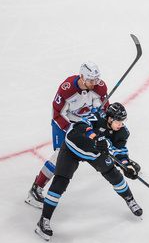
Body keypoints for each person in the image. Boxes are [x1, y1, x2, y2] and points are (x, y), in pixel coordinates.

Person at [35, 102, 142, 241]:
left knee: (115, 176)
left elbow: (120, 152)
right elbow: (79, 125)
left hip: (95, 153)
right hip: (72, 149)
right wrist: (95, 137)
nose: (120, 124)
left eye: (122, 121)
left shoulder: (122, 132)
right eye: (118, 121)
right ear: (109, 118)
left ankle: (130, 200)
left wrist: (127, 167)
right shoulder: (97, 117)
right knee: (60, 183)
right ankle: (44, 220)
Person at [26, 61, 109, 209]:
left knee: (103, 141)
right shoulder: (67, 88)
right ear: (82, 77)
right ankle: (36, 189)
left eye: (96, 79)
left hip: (85, 124)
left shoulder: (100, 87)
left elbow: (104, 110)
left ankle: (124, 163)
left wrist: (99, 116)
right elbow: (57, 113)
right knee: (59, 157)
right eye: (91, 79)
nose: (94, 82)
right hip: (64, 124)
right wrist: (71, 128)